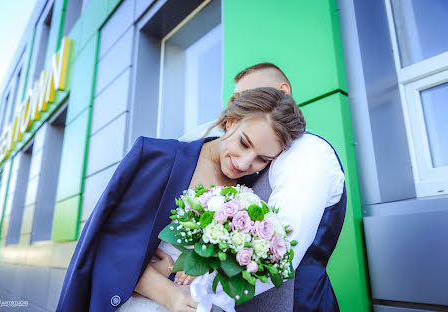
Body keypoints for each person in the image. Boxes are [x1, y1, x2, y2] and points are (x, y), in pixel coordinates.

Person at [56, 87, 306, 312]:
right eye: (243, 143)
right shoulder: (157, 156)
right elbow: (108, 247)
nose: (244, 163)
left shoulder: (251, 201)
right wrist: (170, 292)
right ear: (230, 121)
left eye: (262, 159)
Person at [178, 63, 346, 311]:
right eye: (235, 100)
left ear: (283, 93)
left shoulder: (308, 153)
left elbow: (280, 249)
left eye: (245, 96)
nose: (238, 106)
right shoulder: (260, 159)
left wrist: (196, 291)